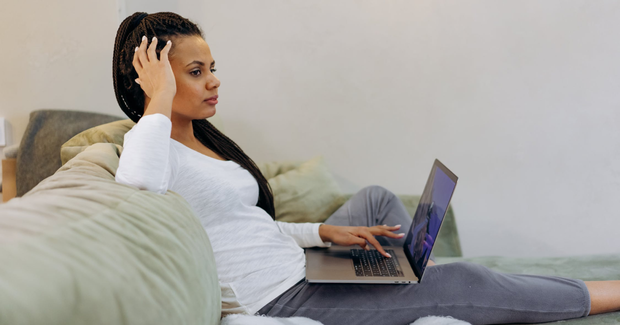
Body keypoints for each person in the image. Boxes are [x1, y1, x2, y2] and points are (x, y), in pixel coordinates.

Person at [112, 11, 620, 325]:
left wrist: (322, 232)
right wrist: (157, 98)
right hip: (278, 299)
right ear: (153, 81)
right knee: (464, 281)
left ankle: (409, 270)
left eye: (213, 68)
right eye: (195, 73)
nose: (214, 82)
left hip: (298, 268)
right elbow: (135, 184)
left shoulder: (203, 144)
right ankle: (597, 292)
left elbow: (244, 228)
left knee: (376, 198)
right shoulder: (148, 147)